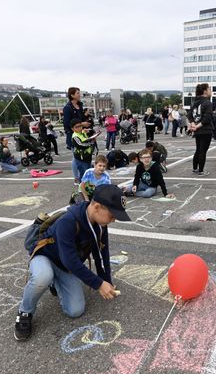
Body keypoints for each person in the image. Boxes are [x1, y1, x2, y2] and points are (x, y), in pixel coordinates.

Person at [14, 184, 130, 341]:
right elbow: (70, 261)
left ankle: (55, 282)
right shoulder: (68, 221)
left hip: (65, 266)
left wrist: (106, 280)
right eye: (112, 215)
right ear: (97, 207)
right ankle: (24, 312)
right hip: (46, 257)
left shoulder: (100, 226)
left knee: (75, 311)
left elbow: (101, 254)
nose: (114, 220)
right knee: (43, 276)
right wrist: (98, 284)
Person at [188, 83, 215, 176]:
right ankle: (201, 171)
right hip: (205, 130)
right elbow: (207, 118)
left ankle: (195, 168)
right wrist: (197, 126)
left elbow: (190, 115)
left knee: (198, 149)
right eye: (209, 89)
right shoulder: (207, 103)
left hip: (197, 130)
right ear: (205, 91)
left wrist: (193, 125)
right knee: (203, 150)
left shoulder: (194, 102)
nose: (210, 91)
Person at [71, 118, 99, 182]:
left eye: (80, 126)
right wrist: (90, 141)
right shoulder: (75, 136)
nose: (79, 128)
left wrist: (90, 133)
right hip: (81, 158)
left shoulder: (83, 132)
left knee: (88, 171)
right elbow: (81, 145)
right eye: (77, 127)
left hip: (87, 156)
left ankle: (88, 185)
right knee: (84, 173)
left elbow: (89, 135)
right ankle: (81, 187)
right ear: (73, 129)